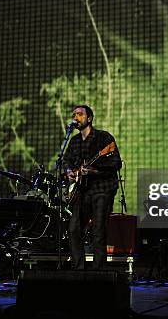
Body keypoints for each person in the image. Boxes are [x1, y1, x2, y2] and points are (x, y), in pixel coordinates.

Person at [64, 105, 122, 270]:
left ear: (89, 118)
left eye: (80, 114)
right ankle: (78, 269)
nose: (76, 117)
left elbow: (116, 163)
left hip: (102, 189)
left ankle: (98, 271)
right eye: (74, 114)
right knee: (74, 229)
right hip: (81, 191)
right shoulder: (74, 141)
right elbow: (67, 161)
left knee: (98, 231)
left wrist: (95, 170)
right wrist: (69, 171)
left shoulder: (103, 138)